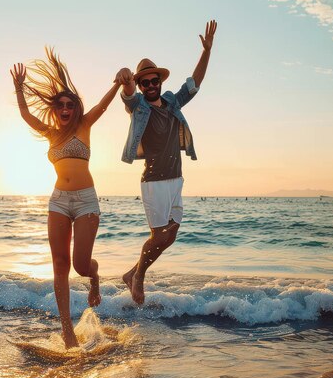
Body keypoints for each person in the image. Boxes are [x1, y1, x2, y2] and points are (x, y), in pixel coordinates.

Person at [11, 48, 121, 349]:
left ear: (75, 108)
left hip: (86, 201)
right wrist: (19, 88)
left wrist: (118, 82)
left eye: (69, 104)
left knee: (81, 266)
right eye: (59, 104)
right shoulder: (49, 133)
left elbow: (103, 105)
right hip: (58, 201)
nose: (64, 108)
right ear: (54, 108)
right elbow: (24, 114)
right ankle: (68, 331)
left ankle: (94, 277)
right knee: (59, 265)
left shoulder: (84, 126)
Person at [115, 20, 217, 305]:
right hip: (154, 181)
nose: (149, 85)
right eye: (143, 82)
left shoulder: (172, 101)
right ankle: (138, 277)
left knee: (170, 235)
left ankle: (133, 272)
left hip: (176, 178)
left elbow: (194, 84)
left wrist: (207, 52)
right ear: (140, 84)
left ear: (160, 82)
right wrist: (126, 80)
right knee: (158, 236)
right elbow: (127, 96)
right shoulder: (139, 107)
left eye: (153, 81)